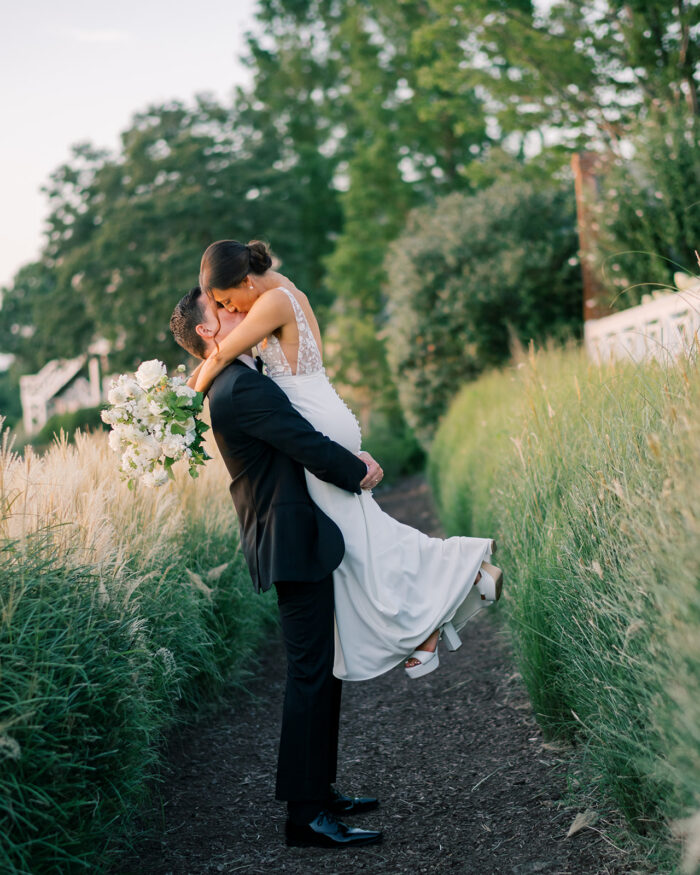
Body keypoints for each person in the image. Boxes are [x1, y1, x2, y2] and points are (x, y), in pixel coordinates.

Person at [191, 239, 503, 680]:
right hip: (323, 412)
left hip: (317, 419)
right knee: (356, 531)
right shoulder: (284, 292)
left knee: (353, 539)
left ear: (244, 281)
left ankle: (460, 575)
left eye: (227, 301)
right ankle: (431, 621)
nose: (232, 311)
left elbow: (220, 353)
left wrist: (180, 405)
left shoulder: (275, 300)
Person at [170, 288, 384, 849]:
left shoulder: (243, 375)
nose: (241, 310)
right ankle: (305, 816)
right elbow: (303, 443)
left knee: (321, 670)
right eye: (224, 310)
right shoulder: (239, 387)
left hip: (296, 534)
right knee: (311, 674)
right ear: (208, 333)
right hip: (290, 538)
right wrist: (356, 469)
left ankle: (320, 790)